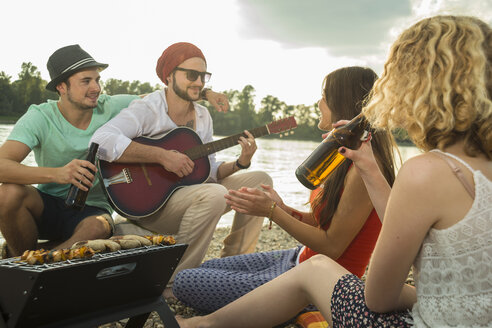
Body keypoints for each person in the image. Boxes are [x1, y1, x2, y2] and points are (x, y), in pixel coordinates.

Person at [177, 15, 492, 327]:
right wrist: (367, 169)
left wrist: (274, 211)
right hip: (308, 259)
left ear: (416, 87)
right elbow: (417, 236)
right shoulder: (464, 169)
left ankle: (211, 324)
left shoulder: (426, 171)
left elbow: (378, 298)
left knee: (312, 270)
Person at [172, 66, 396, 314]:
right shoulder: (343, 157)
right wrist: (282, 207)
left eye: (325, 96)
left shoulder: (364, 170)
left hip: (319, 284)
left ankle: (285, 310)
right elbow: (323, 223)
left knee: (184, 283)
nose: (318, 102)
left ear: (342, 102)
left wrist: (271, 212)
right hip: (299, 258)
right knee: (203, 271)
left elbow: (332, 247)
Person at [0, 44, 229, 258]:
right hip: (47, 203)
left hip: (92, 212)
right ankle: (22, 260)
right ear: (61, 86)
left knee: (97, 227)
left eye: (98, 80)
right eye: (86, 81)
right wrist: (58, 174)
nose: (96, 88)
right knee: (7, 193)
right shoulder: (39, 117)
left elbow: (169, 95)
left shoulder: (112, 106)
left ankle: (43, 261)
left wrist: (208, 94)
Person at [90, 42, 273, 290]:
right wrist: (161, 156)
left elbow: (208, 174)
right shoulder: (148, 108)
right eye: (191, 75)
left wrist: (241, 163)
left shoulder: (203, 116)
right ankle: (174, 281)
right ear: (169, 76)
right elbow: (101, 140)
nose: (199, 82)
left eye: (203, 76)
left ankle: (233, 264)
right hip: (148, 205)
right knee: (215, 195)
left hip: (183, 197)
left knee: (259, 182)